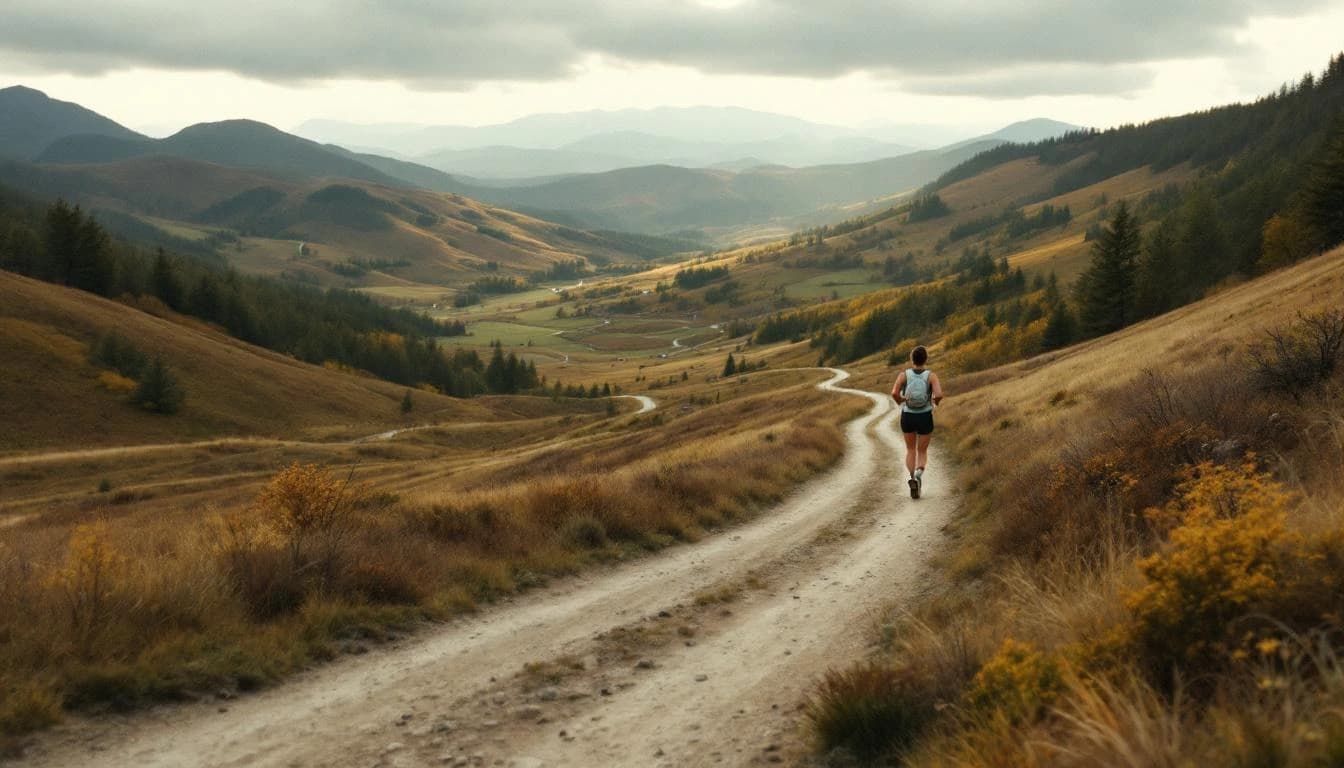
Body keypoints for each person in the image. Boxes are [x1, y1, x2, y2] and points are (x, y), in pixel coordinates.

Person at [891, 345, 943, 499]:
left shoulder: (904, 375)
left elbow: (894, 392)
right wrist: (935, 403)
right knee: (922, 451)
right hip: (925, 415)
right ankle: (920, 474)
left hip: (908, 416)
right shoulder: (931, 376)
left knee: (910, 450)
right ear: (925, 359)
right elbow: (939, 394)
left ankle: (912, 477)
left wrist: (900, 400)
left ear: (911, 359)